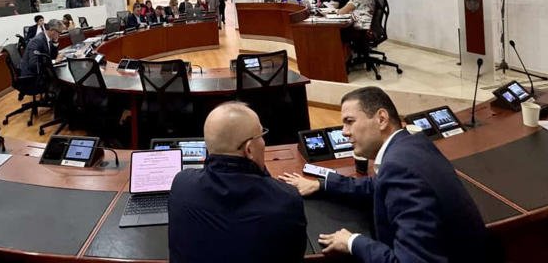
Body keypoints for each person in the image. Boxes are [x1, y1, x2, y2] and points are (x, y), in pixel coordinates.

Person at [279, 87, 491, 263]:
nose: (344, 132)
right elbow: (377, 185)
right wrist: (323, 184)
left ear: (381, 119)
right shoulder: (412, 143)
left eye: (350, 121)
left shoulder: (400, 169)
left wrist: (353, 242)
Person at [168, 102, 307, 262]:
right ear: (249, 149)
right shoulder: (287, 200)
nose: (263, 141)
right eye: (261, 135)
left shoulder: (181, 185)